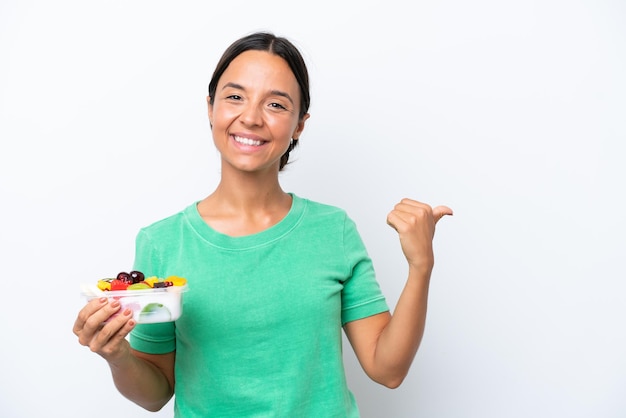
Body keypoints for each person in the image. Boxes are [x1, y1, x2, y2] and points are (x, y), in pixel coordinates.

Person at [73, 31, 453, 417]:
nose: (251, 118)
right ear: (210, 107)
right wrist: (117, 355)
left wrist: (421, 266)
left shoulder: (333, 231)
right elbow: (155, 393)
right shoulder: (162, 242)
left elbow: (387, 369)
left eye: (275, 104)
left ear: (299, 125)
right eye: (235, 97)